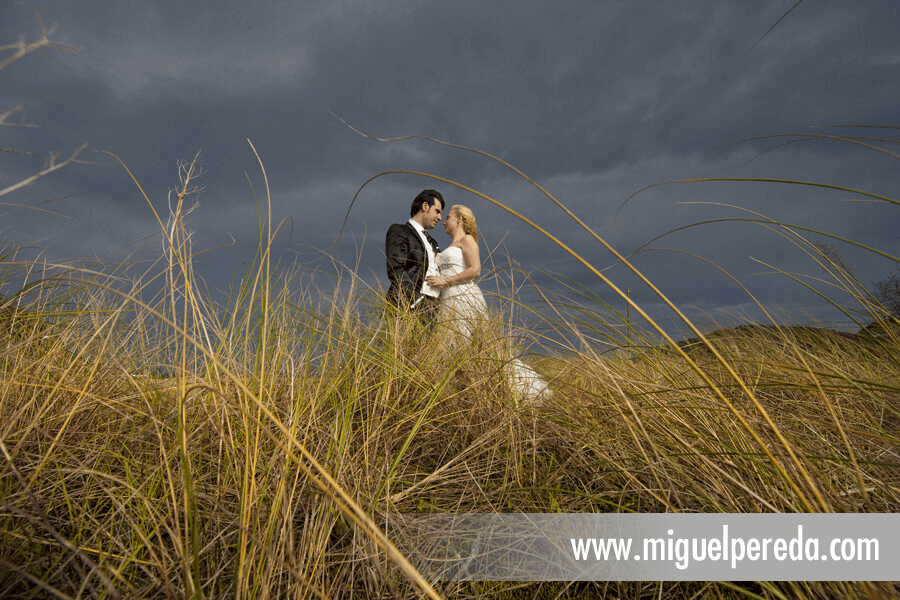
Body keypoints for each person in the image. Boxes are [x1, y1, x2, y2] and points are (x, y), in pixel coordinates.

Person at [426, 204, 551, 402]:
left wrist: (445, 281)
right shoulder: (448, 247)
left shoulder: (468, 240)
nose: (444, 220)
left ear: (459, 220)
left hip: (463, 297)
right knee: (452, 347)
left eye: (448, 217)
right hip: (448, 299)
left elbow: (475, 270)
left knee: (471, 345)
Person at [385, 189, 444, 325]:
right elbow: (396, 269)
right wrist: (416, 301)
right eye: (437, 211)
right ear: (425, 206)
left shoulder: (432, 242)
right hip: (410, 305)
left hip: (433, 307)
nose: (440, 218)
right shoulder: (400, 231)